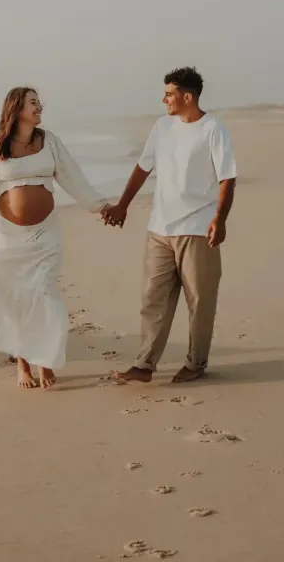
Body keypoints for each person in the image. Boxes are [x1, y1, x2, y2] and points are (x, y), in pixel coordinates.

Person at [0, 87, 110, 390]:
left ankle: (45, 359)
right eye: (33, 103)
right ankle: (24, 363)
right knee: (16, 297)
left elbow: (72, 176)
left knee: (44, 295)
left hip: (46, 233)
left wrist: (100, 206)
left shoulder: (49, 142)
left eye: (40, 103)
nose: (40, 107)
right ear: (16, 109)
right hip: (9, 234)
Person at [104, 67, 236, 384]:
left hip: (197, 228)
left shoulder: (213, 128)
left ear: (186, 97)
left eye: (168, 94)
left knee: (199, 301)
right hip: (160, 228)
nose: (164, 99)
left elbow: (227, 177)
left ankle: (196, 363)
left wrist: (220, 219)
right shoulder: (162, 127)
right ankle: (144, 364)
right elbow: (142, 168)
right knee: (153, 298)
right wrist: (122, 204)